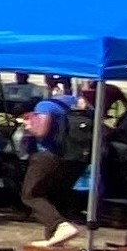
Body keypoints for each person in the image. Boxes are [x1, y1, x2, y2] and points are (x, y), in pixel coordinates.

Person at [15, 80, 86, 242]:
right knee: (55, 196)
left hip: (48, 155)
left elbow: (40, 132)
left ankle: (60, 225)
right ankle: (54, 240)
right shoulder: (83, 105)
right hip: (75, 158)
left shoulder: (46, 106)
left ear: (54, 86)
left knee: (31, 194)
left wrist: (27, 125)